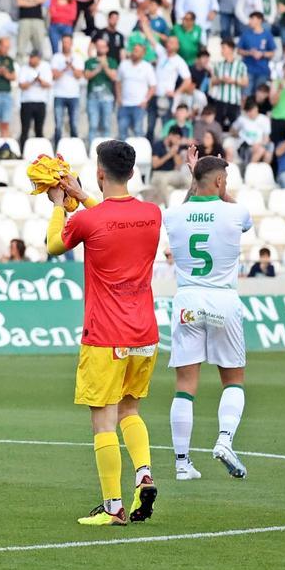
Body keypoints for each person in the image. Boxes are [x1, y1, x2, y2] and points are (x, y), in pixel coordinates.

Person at [45, 140, 162, 527]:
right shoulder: (152, 214)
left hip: (105, 335)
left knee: (103, 420)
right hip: (145, 333)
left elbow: (53, 245)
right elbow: (115, 218)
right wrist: (84, 195)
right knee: (131, 408)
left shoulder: (87, 219)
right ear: (131, 172)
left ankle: (113, 506)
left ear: (99, 173)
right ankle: (143, 472)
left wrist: (62, 202)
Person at [164, 154, 252, 481]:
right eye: (224, 180)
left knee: (185, 386)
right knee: (233, 380)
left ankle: (182, 463)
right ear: (219, 181)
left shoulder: (173, 214)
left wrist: (195, 179)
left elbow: (192, 204)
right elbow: (234, 210)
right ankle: (224, 439)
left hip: (188, 300)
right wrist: (217, 189)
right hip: (222, 301)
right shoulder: (235, 211)